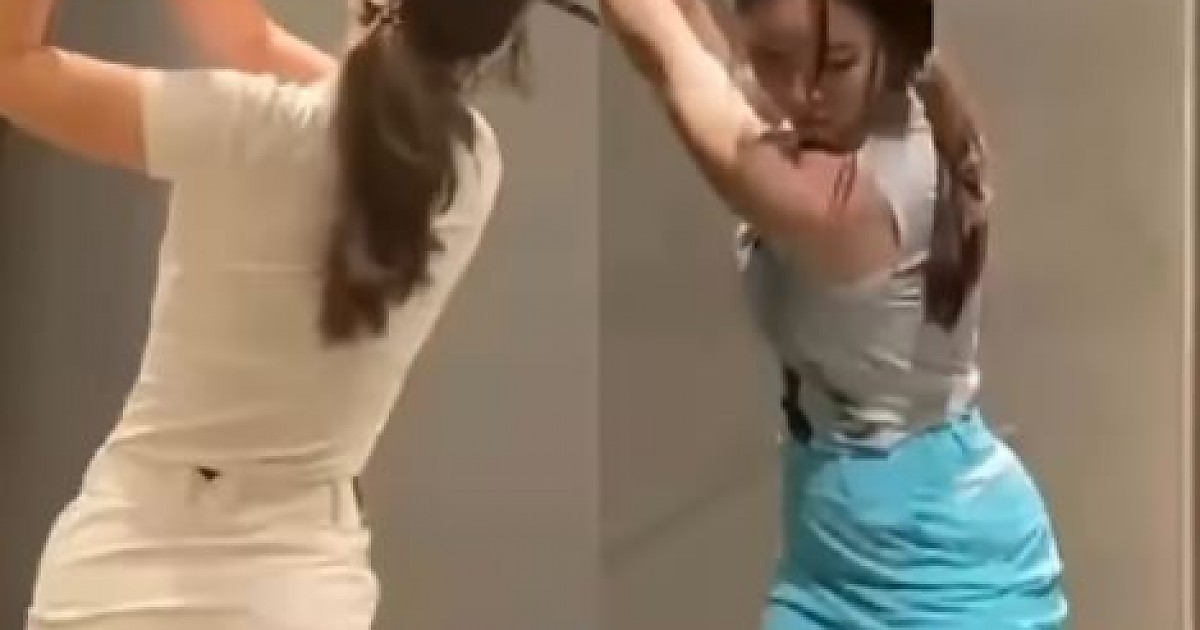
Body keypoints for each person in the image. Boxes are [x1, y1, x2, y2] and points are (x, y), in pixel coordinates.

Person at [3, 0, 533, 628]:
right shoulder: (470, 166)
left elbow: (12, 70)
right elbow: (254, 44)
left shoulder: (244, 123)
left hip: (123, 564)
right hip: (301, 590)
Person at [599, 0, 1069, 627]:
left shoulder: (841, 198)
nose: (800, 95)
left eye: (838, 63)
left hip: (952, 573)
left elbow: (668, 59)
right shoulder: (849, 115)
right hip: (828, 556)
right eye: (773, 58)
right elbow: (725, 70)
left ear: (888, 45)